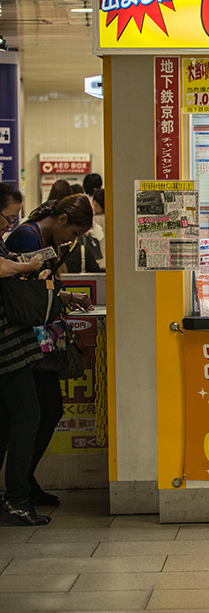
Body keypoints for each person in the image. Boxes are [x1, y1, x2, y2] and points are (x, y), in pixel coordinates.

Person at [3, 195, 95, 511]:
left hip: (33, 340)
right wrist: (57, 295)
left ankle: (24, 485)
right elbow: (29, 292)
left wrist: (64, 296)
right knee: (36, 413)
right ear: (62, 220)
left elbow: (40, 287)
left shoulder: (35, 237)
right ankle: (20, 489)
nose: (72, 240)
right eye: (74, 233)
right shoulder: (27, 238)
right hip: (24, 342)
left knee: (39, 412)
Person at [0, 184, 50, 525]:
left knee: (9, 422)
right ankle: (17, 499)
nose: (10, 225)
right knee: (27, 417)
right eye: (8, 217)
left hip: (10, 345)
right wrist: (25, 267)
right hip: (6, 350)